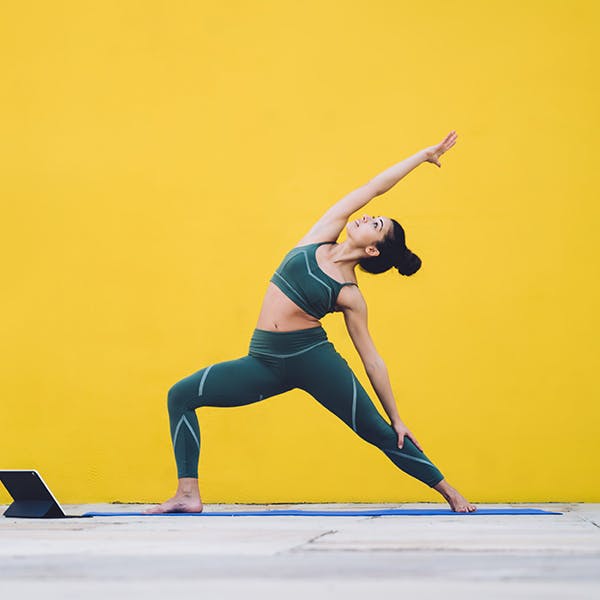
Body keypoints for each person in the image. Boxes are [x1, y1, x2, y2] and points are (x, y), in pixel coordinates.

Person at [146, 130, 476, 514]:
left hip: (313, 361)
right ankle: (188, 494)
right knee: (181, 395)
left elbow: (371, 359)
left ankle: (449, 490)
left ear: (372, 249)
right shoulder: (324, 233)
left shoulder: (350, 295)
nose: (367, 216)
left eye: (376, 224)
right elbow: (373, 189)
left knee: (379, 432)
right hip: (263, 362)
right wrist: (421, 156)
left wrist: (397, 417)